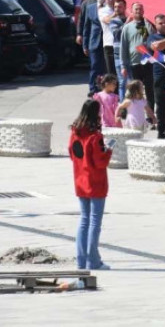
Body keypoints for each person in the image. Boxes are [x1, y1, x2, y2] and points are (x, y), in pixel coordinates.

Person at [69, 99, 112, 271]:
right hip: (95, 182)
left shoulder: (74, 132)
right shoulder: (96, 137)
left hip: (80, 180)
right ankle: (93, 261)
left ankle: (81, 260)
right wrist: (108, 150)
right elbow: (100, 162)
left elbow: (72, 155)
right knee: (95, 221)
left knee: (84, 220)